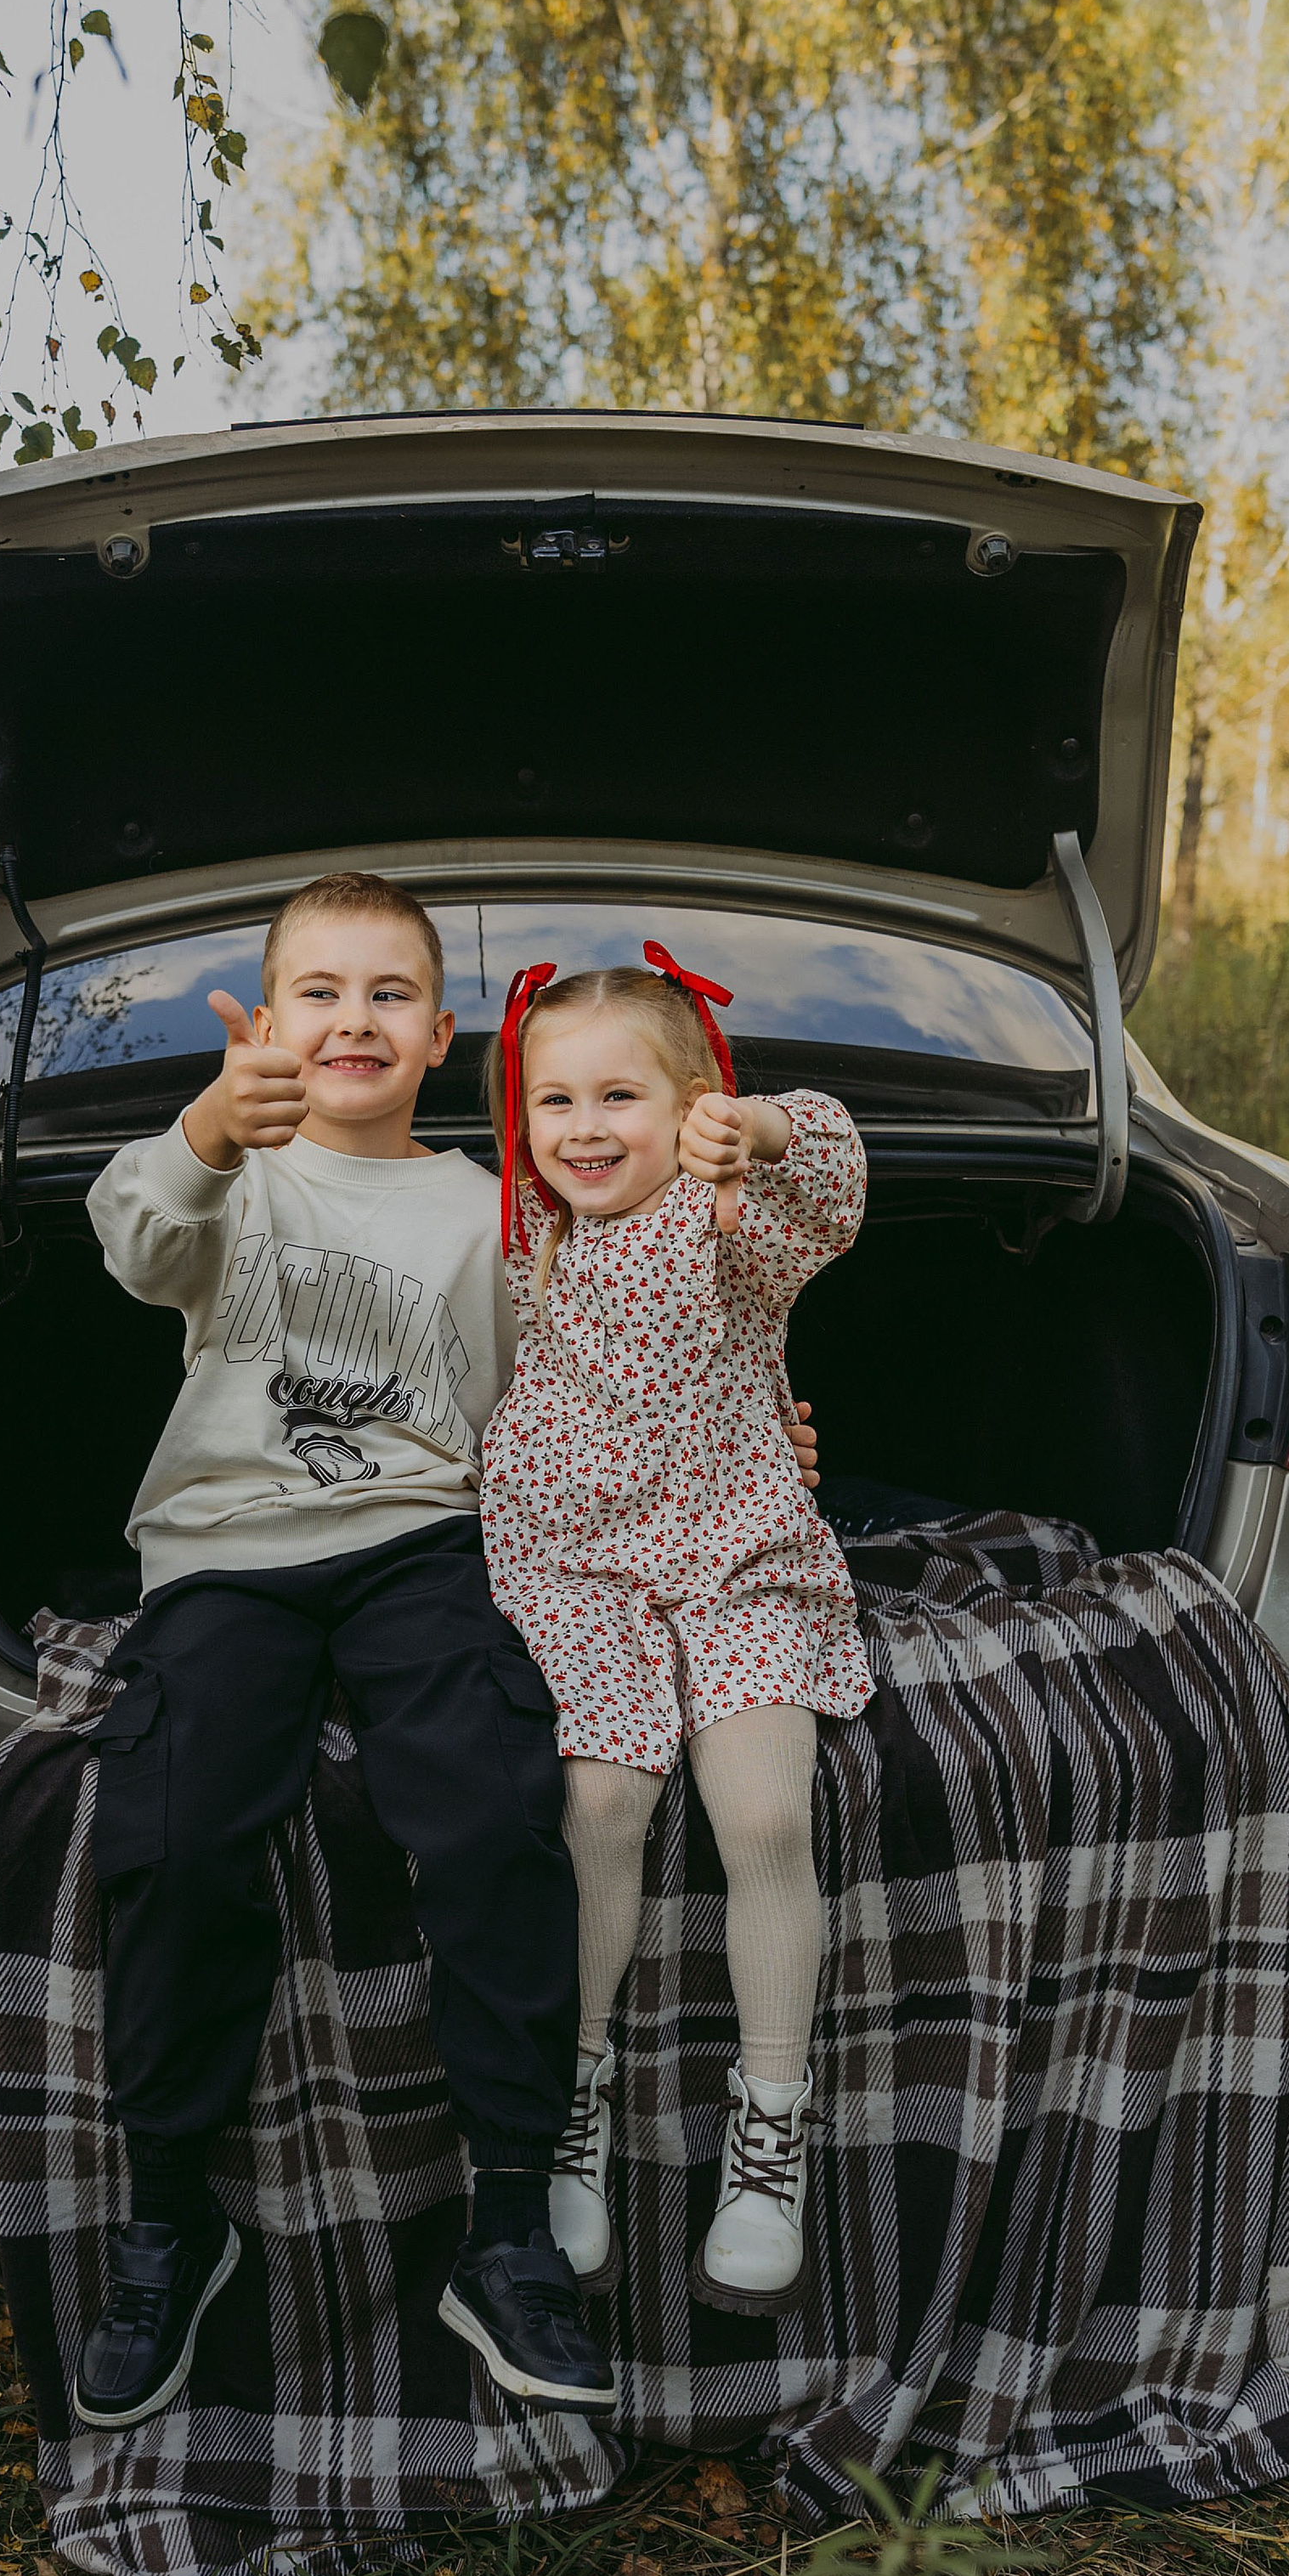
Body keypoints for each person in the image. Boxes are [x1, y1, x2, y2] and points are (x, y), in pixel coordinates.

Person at [71, 873, 616, 2429]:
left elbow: (569, 1397)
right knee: (173, 1830)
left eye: (389, 995)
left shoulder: (491, 1209)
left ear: (445, 1037)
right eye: (319, 991)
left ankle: (509, 2226)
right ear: (266, 1022)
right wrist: (204, 1127)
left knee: (504, 1803)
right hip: (229, 1562)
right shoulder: (231, 1172)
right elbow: (129, 1239)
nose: (352, 1020)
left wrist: (753, 1435)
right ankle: (170, 2216)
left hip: (423, 1546)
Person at [480, 951, 873, 2310]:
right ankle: (573, 2104)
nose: (584, 1127)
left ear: (694, 1101)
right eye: (553, 1101)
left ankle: (772, 2126)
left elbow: (832, 1180)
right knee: (601, 1803)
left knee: (762, 1814)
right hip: (575, 1569)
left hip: (736, 1556)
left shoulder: (727, 1215)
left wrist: (757, 1132)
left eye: (621, 1097)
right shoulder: (523, 1238)